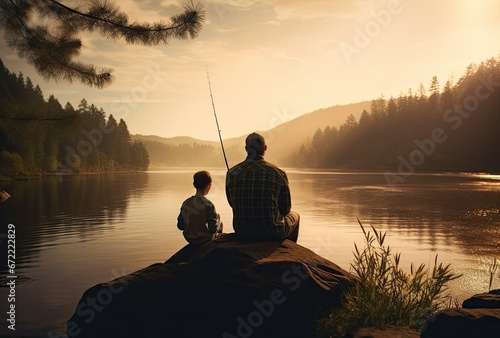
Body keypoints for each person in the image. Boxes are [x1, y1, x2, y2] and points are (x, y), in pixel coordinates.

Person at [225, 132, 300, 242]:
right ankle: (291, 250)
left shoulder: (232, 173)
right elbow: (286, 208)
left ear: (246, 149)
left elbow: (232, 203)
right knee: (295, 215)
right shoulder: (278, 173)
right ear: (265, 148)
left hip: (243, 231)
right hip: (273, 232)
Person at [177, 170, 223, 245]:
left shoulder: (186, 203)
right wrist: (218, 223)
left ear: (194, 185)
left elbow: (180, 226)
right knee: (218, 219)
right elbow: (213, 229)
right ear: (209, 186)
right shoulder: (209, 204)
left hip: (189, 239)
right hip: (206, 239)